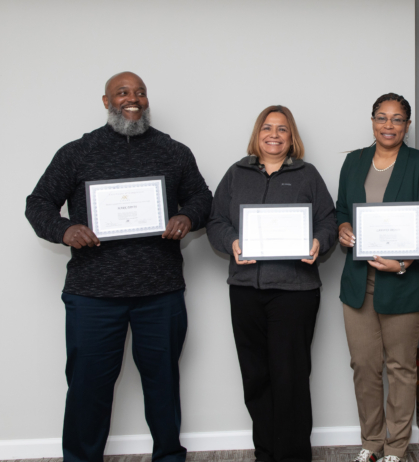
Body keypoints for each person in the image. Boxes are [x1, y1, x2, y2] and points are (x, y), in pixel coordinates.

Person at [25, 72, 213, 462]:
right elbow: (38, 203)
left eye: (140, 92)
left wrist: (187, 217)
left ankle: (169, 456)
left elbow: (201, 196)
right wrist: (65, 230)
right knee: (87, 388)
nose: (133, 99)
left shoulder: (173, 151)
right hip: (93, 294)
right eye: (123, 92)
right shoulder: (77, 152)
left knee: (163, 384)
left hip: (160, 292)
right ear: (106, 101)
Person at [206, 105, 337, 462]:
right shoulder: (236, 174)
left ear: (291, 137)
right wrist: (232, 241)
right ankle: (265, 453)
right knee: (256, 377)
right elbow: (215, 221)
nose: (274, 135)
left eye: (282, 129)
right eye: (267, 128)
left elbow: (328, 221)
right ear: (257, 134)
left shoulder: (308, 175)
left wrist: (318, 241)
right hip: (245, 290)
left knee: (290, 378)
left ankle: (293, 457)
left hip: (295, 293)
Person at [336, 93, 419, 462]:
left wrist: (403, 263)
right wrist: (343, 227)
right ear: (372, 121)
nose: (389, 125)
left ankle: (396, 446)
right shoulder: (354, 161)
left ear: (407, 125)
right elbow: (340, 210)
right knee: (364, 367)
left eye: (397, 119)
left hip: (402, 281)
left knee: (400, 368)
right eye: (382, 117)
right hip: (358, 284)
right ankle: (372, 442)